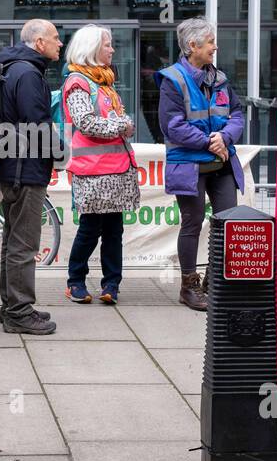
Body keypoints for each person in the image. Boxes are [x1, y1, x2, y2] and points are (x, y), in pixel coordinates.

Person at [156, 17, 245, 311]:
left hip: (221, 164)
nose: (215, 47)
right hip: (191, 164)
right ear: (193, 46)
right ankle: (188, 287)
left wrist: (225, 137)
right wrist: (210, 142)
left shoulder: (219, 78)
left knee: (226, 223)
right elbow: (173, 126)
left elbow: (237, 114)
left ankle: (213, 283)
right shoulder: (173, 80)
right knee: (192, 224)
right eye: (210, 42)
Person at [60, 24, 139, 306]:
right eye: (108, 44)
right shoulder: (78, 82)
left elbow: (108, 121)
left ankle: (111, 284)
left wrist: (121, 124)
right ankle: (76, 281)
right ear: (93, 48)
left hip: (115, 170)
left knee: (113, 232)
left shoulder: (104, 83)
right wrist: (123, 124)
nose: (112, 49)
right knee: (90, 230)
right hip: (93, 172)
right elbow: (86, 122)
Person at [0, 19, 63, 335]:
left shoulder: (13, 69)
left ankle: (11, 307)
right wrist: (61, 155)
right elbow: (39, 124)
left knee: (13, 240)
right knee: (24, 243)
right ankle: (19, 313)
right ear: (39, 43)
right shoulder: (29, 75)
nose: (59, 44)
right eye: (55, 38)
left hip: (13, 167)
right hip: (26, 169)